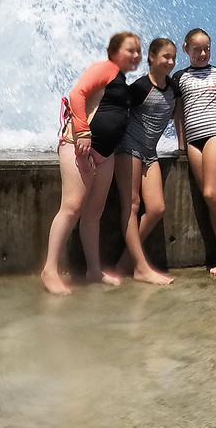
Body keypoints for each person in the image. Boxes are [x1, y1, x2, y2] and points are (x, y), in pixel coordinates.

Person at [40, 32, 144, 296]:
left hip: (105, 153)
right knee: (72, 206)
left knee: (93, 213)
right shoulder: (105, 68)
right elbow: (78, 94)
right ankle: (49, 270)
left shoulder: (121, 79)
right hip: (79, 145)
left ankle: (94, 270)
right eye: (130, 50)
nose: (135, 55)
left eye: (138, 51)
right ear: (113, 51)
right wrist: (83, 133)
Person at [170, 28, 216, 277]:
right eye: (197, 49)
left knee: (214, 193)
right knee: (209, 200)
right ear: (186, 50)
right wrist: (181, 144)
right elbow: (178, 112)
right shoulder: (179, 77)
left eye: (207, 48)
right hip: (194, 141)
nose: (202, 53)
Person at [113, 37, 179, 286]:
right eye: (165, 57)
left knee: (156, 209)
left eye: (173, 58)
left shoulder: (173, 89)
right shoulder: (140, 87)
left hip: (150, 152)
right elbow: (116, 112)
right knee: (131, 204)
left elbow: (179, 114)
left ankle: (126, 261)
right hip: (128, 148)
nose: (170, 62)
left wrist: (183, 146)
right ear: (151, 57)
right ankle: (140, 267)